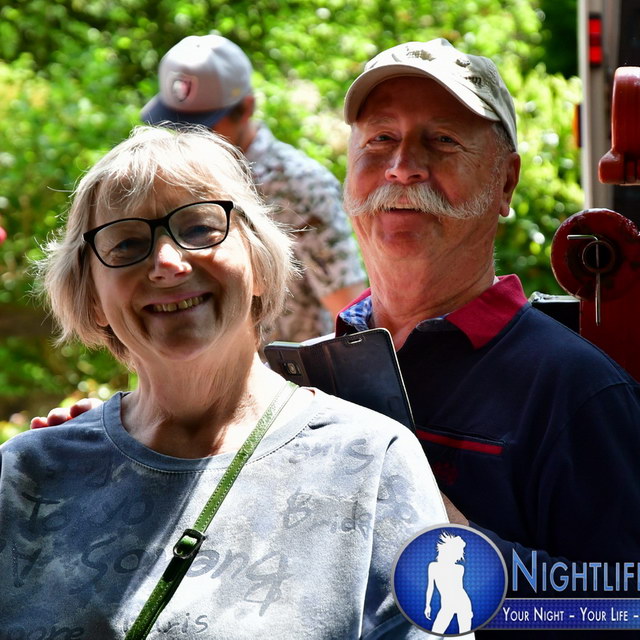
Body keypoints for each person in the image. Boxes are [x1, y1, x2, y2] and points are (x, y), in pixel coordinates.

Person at [0, 126, 449, 638]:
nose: (167, 264)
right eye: (126, 243)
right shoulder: (27, 473)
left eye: (198, 228)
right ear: (92, 297)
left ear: (260, 264)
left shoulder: (373, 462)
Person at [337, 38, 640, 637]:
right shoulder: (316, 366)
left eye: (443, 141)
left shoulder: (577, 391)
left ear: (506, 182)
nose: (402, 166)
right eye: (380, 139)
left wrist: (447, 543)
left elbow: (620, 611)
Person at [140, 34, 366, 343]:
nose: (187, 139)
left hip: (293, 369)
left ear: (246, 108)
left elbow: (349, 314)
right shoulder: (176, 181)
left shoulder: (299, 185)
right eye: (176, 126)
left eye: (204, 127)